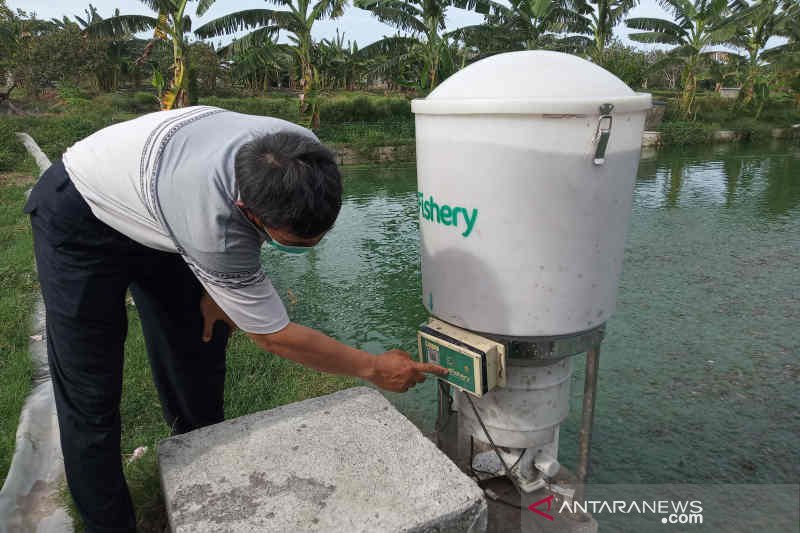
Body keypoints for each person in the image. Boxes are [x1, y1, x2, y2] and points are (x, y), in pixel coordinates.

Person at [23, 105, 447, 532]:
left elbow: (247, 241)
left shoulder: (303, 157)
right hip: (81, 211)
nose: (310, 247)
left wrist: (218, 287)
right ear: (248, 210)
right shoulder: (214, 225)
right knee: (90, 386)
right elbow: (273, 337)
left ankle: (200, 466)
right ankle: (109, 524)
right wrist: (372, 367)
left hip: (162, 195)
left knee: (197, 342)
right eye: (294, 243)